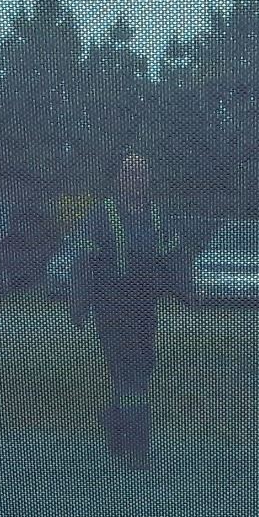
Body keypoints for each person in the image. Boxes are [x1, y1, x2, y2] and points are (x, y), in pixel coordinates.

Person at [69, 153, 180, 468]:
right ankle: (137, 447)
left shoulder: (158, 216)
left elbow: (172, 259)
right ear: (118, 179)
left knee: (141, 372)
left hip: (144, 309)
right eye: (129, 173)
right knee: (128, 375)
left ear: (149, 179)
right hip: (112, 310)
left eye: (142, 173)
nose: (136, 179)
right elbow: (83, 262)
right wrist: (80, 305)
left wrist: (186, 290)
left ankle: (115, 423)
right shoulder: (101, 215)